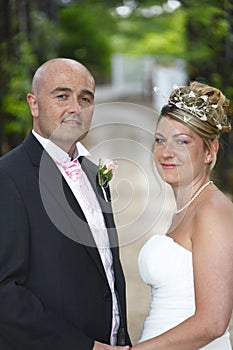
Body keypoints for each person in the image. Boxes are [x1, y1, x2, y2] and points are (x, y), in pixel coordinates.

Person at [0, 58, 131, 350]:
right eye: (62, 96)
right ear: (34, 105)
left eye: (85, 98)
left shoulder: (96, 175)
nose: (75, 108)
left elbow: (106, 270)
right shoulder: (7, 178)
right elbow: (5, 293)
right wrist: (86, 347)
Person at [133, 81, 233, 349]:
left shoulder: (212, 210)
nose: (166, 153)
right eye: (160, 140)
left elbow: (213, 322)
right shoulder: (186, 207)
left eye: (182, 142)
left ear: (210, 151)